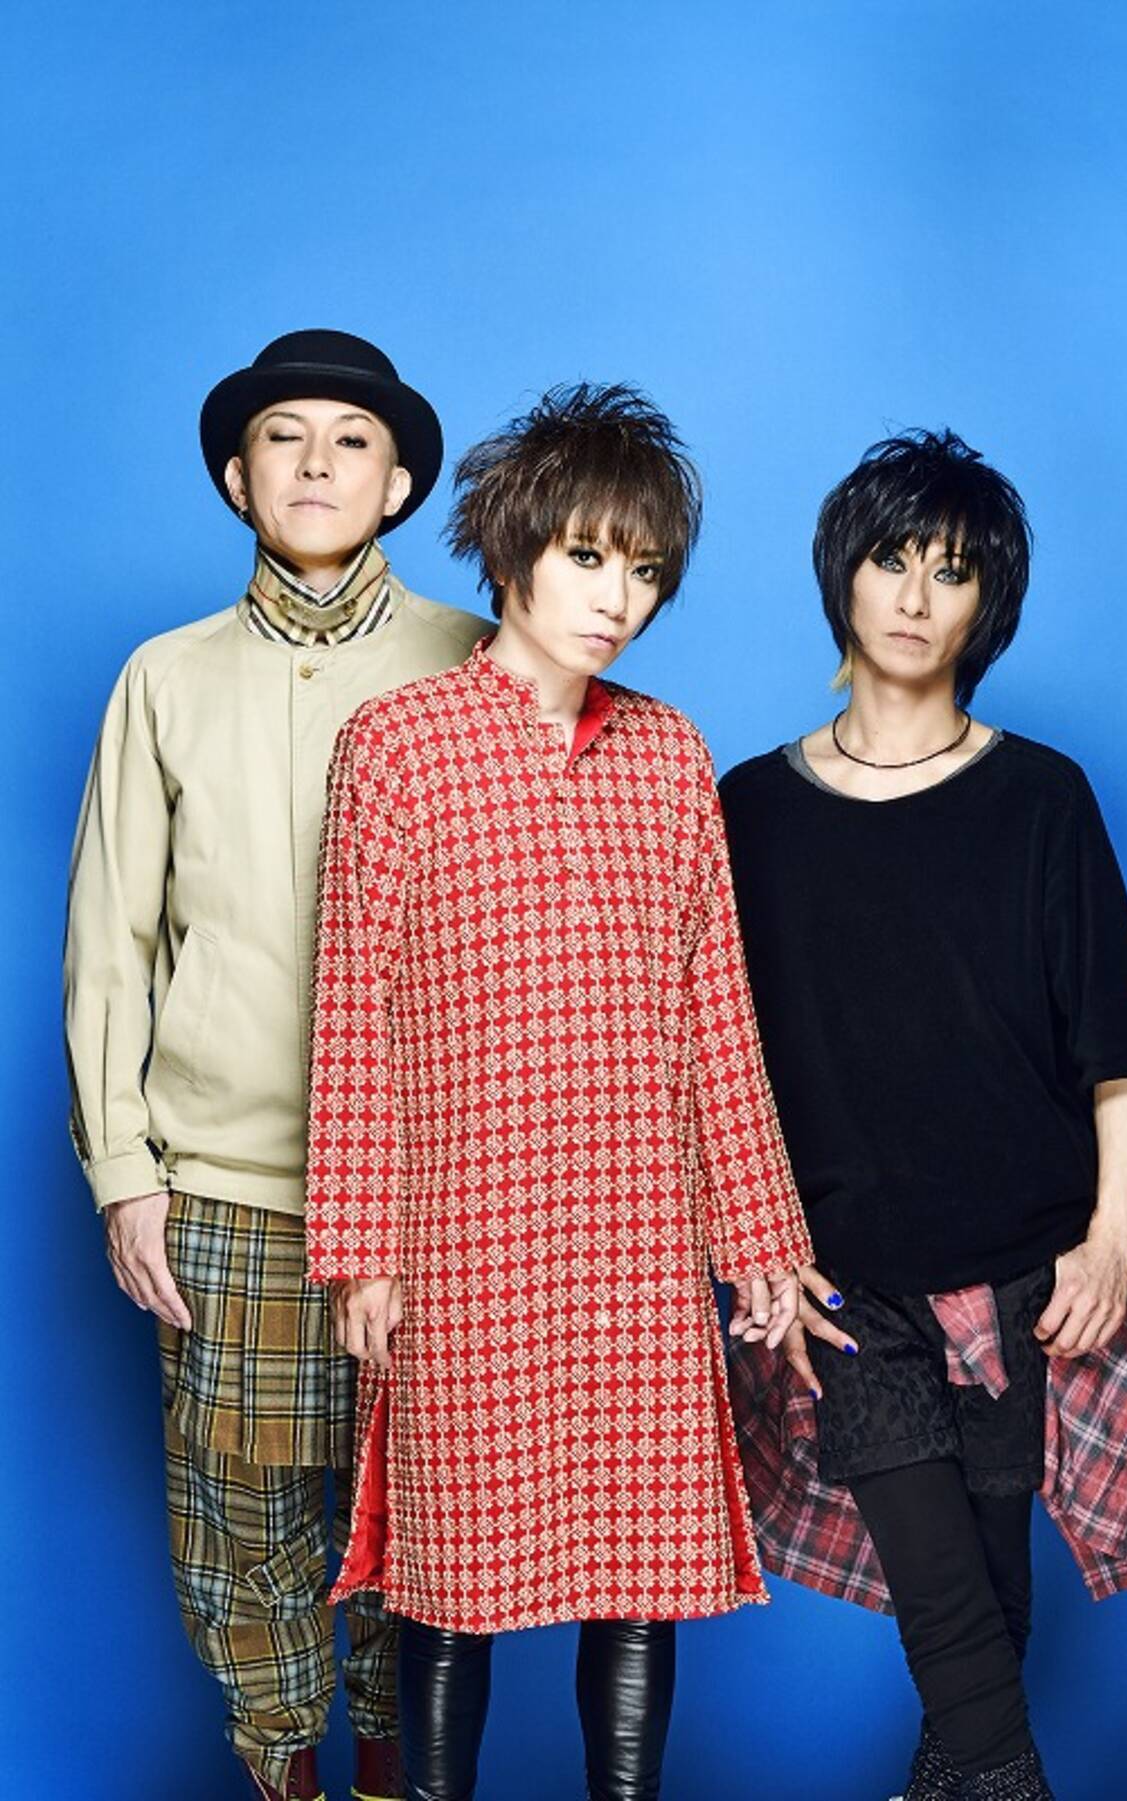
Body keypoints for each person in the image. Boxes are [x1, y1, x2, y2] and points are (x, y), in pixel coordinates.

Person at [305, 383, 851, 1801]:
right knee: (450, 1578)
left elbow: (716, 1018)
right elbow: (354, 1014)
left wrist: (762, 1244)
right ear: (514, 547)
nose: (619, 598)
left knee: (640, 1574)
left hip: (636, 1240)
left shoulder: (669, 755)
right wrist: (361, 1251)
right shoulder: (398, 744)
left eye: (647, 570)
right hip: (467, 1235)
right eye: (590, 556)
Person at [721, 428, 1127, 1800]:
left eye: (954, 571)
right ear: (843, 576)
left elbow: (1119, 1049)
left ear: (989, 605)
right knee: (948, 1612)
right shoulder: (748, 809)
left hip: (1029, 1276)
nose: (917, 596)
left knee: (991, 1606)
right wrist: (753, 1250)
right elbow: (710, 1061)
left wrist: (1111, 1241)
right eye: (892, 560)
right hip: (846, 1285)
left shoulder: (1043, 797)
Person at [64, 329, 489, 1801]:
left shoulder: (479, 659)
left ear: (402, 482)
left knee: (422, 1524)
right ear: (238, 480)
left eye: (352, 439)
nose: (317, 463)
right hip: (229, 1185)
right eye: (283, 438)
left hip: (435, 1191)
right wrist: (124, 1175)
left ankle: (390, 1774)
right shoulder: (165, 678)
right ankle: (286, 1778)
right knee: (241, 1531)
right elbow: (110, 945)